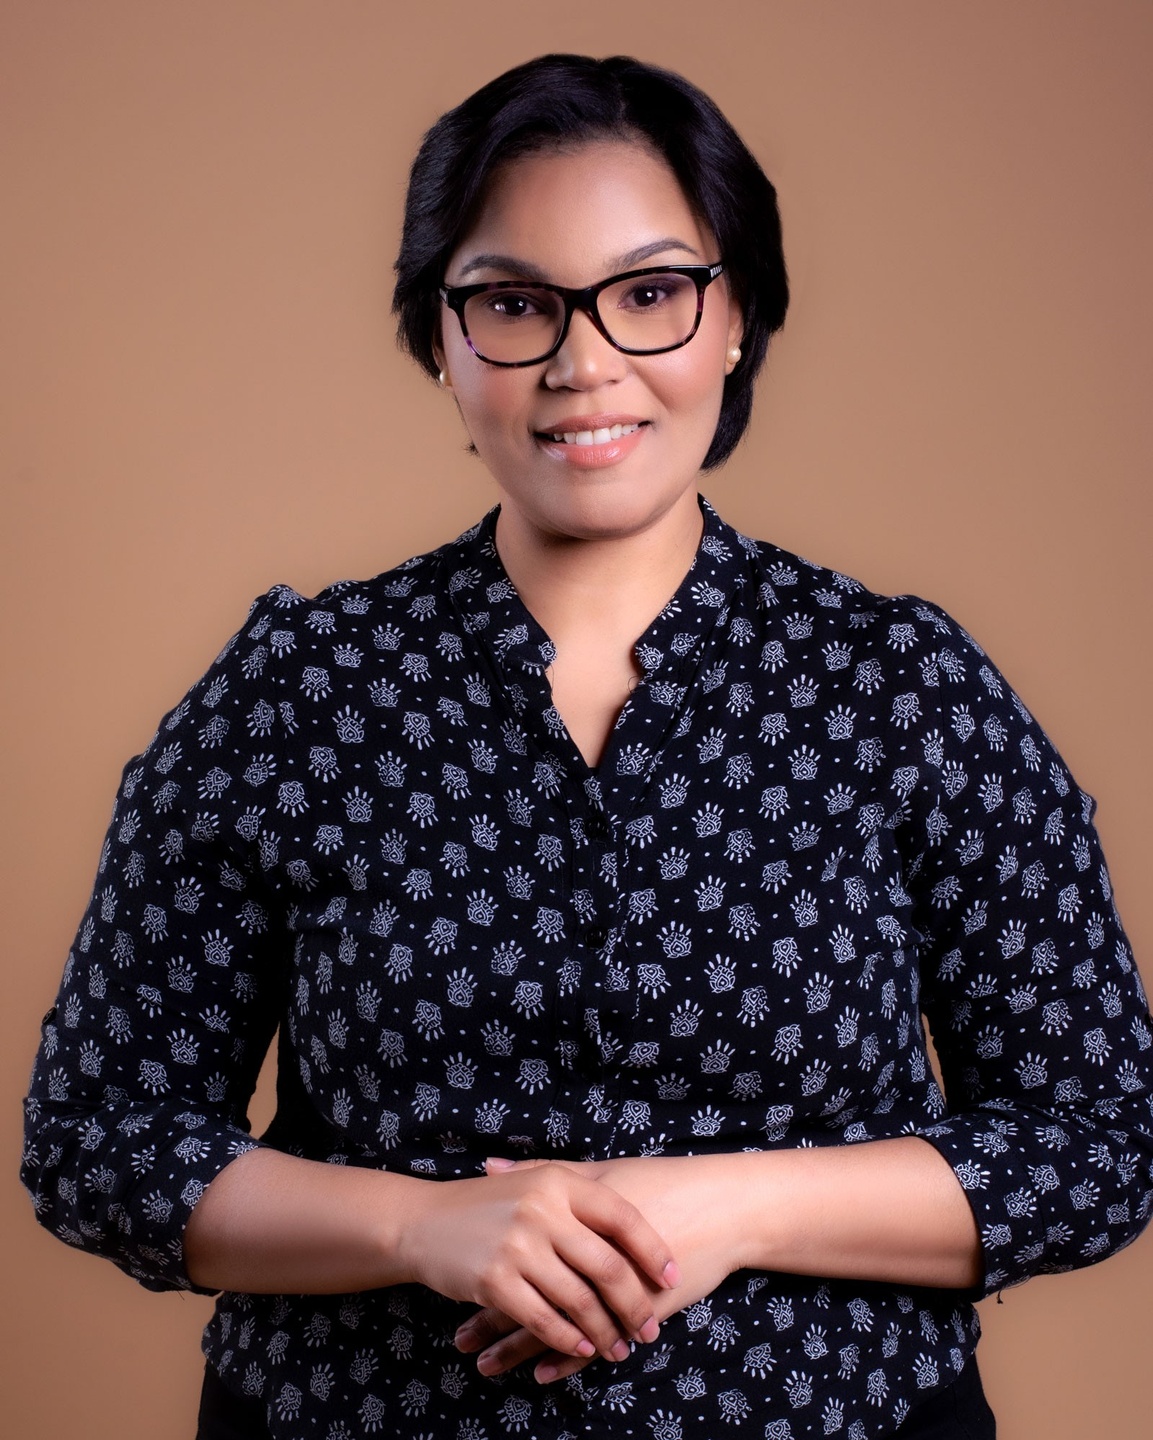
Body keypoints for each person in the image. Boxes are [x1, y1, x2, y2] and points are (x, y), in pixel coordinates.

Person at [21, 52, 1153, 1440]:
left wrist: (725, 1207)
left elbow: (1097, 1138)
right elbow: (98, 1138)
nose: (583, 361)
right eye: (513, 304)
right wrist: (420, 1227)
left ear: (737, 318)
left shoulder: (902, 689)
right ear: (439, 340)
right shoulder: (296, 695)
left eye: (650, 294)